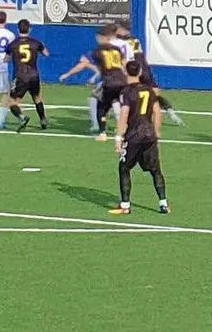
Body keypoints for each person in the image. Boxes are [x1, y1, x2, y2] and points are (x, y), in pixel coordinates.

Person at [110, 61, 169, 216]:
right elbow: (157, 112)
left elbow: (124, 115)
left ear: (125, 72)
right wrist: (156, 131)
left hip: (134, 136)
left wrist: (118, 137)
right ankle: (163, 204)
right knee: (156, 170)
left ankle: (125, 205)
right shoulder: (150, 90)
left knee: (124, 168)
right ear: (140, 71)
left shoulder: (126, 92)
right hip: (149, 135)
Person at [60, 26, 130, 141]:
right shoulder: (117, 50)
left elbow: (83, 64)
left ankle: (102, 133)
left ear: (102, 37)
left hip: (109, 82)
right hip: (122, 81)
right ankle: (122, 131)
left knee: (101, 107)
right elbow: (124, 65)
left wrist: (67, 74)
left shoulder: (97, 52)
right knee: (119, 103)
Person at [115, 20, 184, 127]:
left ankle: (123, 118)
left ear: (123, 30)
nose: (116, 30)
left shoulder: (119, 43)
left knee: (125, 93)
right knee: (152, 94)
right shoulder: (135, 40)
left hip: (134, 70)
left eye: (118, 28)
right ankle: (170, 111)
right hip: (145, 70)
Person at [4, 19, 49, 133]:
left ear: (18, 29)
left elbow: (6, 59)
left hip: (20, 76)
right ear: (30, 29)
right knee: (37, 97)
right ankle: (43, 120)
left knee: (12, 102)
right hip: (34, 75)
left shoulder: (13, 44)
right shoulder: (36, 43)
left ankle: (22, 118)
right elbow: (46, 53)